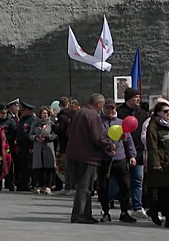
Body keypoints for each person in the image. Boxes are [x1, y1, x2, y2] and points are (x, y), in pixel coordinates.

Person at [66, 93, 115, 224]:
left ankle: (86, 214)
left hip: (73, 154)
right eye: (103, 105)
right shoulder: (93, 116)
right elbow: (97, 137)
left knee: (81, 186)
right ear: (99, 104)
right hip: (88, 156)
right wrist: (109, 145)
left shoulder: (78, 113)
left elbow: (68, 132)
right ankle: (79, 214)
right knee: (85, 187)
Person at [98, 98, 137, 223]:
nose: (110, 110)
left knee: (125, 186)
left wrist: (132, 155)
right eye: (107, 108)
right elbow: (96, 139)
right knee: (103, 187)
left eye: (112, 108)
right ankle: (105, 212)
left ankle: (124, 212)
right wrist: (107, 150)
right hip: (103, 159)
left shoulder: (121, 123)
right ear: (104, 108)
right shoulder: (98, 122)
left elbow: (128, 140)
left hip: (120, 158)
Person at [115, 87, 150, 219]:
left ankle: (137, 206)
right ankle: (110, 201)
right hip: (123, 150)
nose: (138, 99)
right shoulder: (120, 112)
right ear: (129, 98)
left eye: (139, 97)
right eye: (135, 97)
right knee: (120, 180)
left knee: (137, 179)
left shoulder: (142, 113)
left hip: (139, 151)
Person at [145, 101, 169, 227]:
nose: (168, 113)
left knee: (165, 191)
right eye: (165, 111)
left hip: (167, 162)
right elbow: (152, 145)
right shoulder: (153, 125)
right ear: (158, 113)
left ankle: (156, 211)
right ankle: (157, 212)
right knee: (163, 190)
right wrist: (156, 162)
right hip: (160, 163)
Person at [29, 106, 57, 194]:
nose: (45, 115)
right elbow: (30, 135)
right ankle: (39, 185)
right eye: (43, 113)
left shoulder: (51, 124)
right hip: (38, 147)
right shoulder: (35, 124)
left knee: (49, 167)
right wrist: (36, 138)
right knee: (38, 167)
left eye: (46, 113)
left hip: (48, 147)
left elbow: (55, 135)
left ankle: (48, 186)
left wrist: (48, 137)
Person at [55, 97, 76, 195]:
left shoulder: (62, 116)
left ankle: (69, 186)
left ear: (60, 105)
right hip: (74, 142)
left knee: (67, 166)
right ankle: (70, 186)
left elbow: (61, 131)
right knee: (70, 166)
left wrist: (54, 127)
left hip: (64, 143)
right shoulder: (75, 114)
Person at [16, 102, 35, 192]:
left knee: (29, 166)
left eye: (24, 110)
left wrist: (32, 146)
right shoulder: (22, 119)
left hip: (28, 146)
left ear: (28, 111)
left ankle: (29, 183)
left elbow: (32, 134)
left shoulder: (32, 121)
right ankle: (23, 183)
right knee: (23, 166)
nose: (22, 111)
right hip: (22, 147)